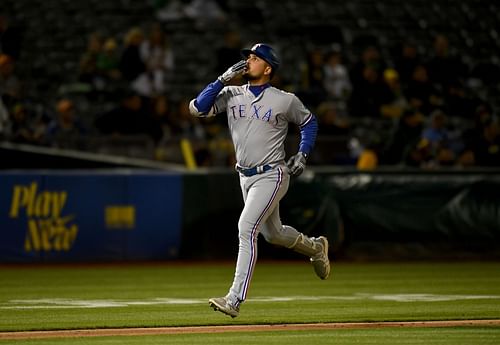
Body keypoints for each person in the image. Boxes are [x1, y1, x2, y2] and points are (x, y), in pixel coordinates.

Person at [189, 43, 331, 318]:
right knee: (273, 234)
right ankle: (316, 247)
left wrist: (302, 154)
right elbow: (197, 109)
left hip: (272, 174)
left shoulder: (284, 99)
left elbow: (309, 122)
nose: (247, 62)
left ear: (267, 68)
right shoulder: (231, 93)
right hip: (245, 176)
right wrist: (222, 79)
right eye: (247, 57)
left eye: (254, 58)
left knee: (246, 227)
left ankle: (234, 299)